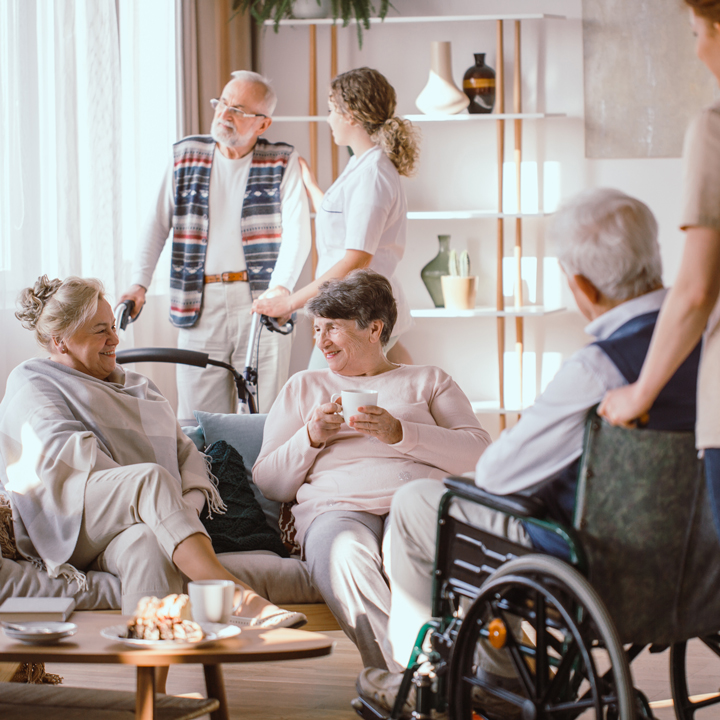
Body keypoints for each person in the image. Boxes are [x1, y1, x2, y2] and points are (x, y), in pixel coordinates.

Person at [354, 189, 701, 719]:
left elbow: (495, 474)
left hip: (600, 567)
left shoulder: (598, 369)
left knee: (421, 503)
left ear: (581, 285)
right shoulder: (711, 343)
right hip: (698, 568)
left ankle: (439, 675)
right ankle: (490, 671)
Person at [0, 275, 305, 629]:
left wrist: (180, 509)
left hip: (130, 522)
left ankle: (151, 675)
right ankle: (233, 593)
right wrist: (145, 496)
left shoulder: (139, 388)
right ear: (60, 340)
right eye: (101, 331)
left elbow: (186, 454)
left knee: (146, 545)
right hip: (69, 516)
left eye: (113, 327)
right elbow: (62, 458)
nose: (115, 339)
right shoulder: (32, 380)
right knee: (148, 478)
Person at [252, 269, 491, 670]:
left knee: (410, 551)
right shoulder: (303, 387)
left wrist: (402, 433)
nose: (321, 340)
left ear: (374, 329)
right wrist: (310, 437)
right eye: (317, 329)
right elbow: (270, 482)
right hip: (336, 509)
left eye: (333, 329)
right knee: (344, 556)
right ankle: (408, 680)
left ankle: (455, 678)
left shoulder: (428, 381)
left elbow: (480, 454)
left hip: (414, 506)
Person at [119, 70, 311, 417]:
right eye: (222, 103)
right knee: (197, 418)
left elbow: (298, 233)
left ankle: (259, 473)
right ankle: (201, 474)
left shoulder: (282, 160)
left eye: (237, 109)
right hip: (199, 301)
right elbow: (155, 225)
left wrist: (281, 289)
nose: (224, 114)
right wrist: (139, 283)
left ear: (263, 124)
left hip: (259, 301)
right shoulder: (185, 155)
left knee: (263, 413)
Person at [599, 0, 720, 541]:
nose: (698, 51)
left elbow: (695, 289)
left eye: (697, 33)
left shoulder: (714, 128)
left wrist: (640, 393)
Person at [252, 67, 419, 368]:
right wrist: (311, 186)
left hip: (360, 314)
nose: (328, 119)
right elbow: (343, 219)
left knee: (317, 394)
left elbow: (356, 260)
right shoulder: (362, 163)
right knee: (403, 387)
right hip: (362, 310)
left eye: (331, 110)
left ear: (351, 115)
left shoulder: (373, 175)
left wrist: (289, 303)